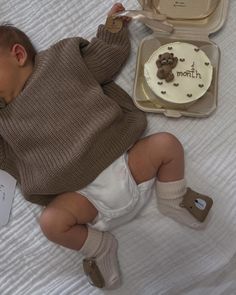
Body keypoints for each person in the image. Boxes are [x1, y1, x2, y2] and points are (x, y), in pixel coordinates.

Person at [0, 3, 213, 290]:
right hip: (79, 196)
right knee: (51, 223)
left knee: (166, 145)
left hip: (124, 161)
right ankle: (99, 247)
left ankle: (172, 198)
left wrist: (113, 30)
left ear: (18, 54)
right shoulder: (3, 122)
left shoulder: (61, 62)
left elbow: (105, 59)